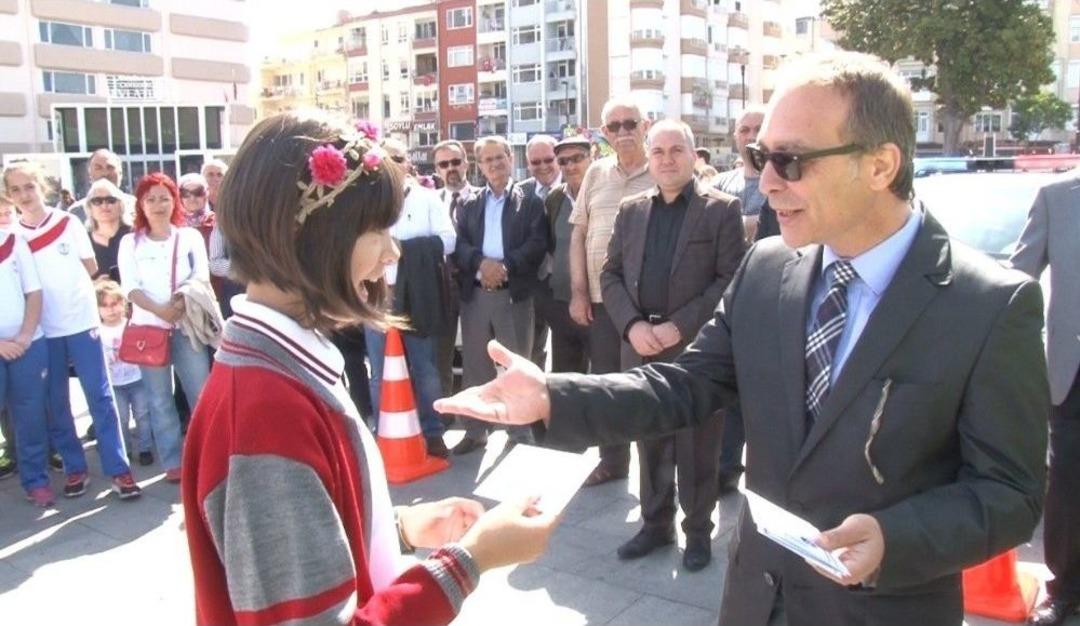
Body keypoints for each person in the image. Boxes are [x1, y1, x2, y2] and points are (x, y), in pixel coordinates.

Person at [436, 51, 1049, 626]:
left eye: (791, 161)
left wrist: (899, 538)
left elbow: (1010, 493)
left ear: (881, 166)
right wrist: (553, 396)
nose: (767, 180)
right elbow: (683, 385)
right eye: (761, 156)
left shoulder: (989, 305)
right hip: (758, 596)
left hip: (882, 607)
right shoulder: (766, 269)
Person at [182, 111, 559, 626]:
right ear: (312, 236)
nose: (393, 251)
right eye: (376, 229)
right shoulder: (264, 415)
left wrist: (398, 526)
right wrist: (471, 560)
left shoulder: (280, 366)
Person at [600, 119, 745, 572]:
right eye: (658, 151)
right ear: (649, 156)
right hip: (641, 345)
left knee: (699, 444)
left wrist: (681, 325)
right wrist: (632, 326)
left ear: (692, 153)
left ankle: (698, 532)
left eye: (675, 150)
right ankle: (655, 524)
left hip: (697, 349)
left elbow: (731, 279)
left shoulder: (721, 209)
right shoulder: (631, 209)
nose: (666, 159)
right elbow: (611, 274)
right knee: (651, 439)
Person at [4, 160, 142, 500]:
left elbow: (90, 267)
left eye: (29, 187)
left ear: (42, 187)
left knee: (100, 394)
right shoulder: (14, 237)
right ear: (8, 196)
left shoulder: (68, 222)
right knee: (56, 402)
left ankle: (118, 468)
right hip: (43, 331)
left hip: (81, 323)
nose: (25, 195)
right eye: (16, 189)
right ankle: (75, 467)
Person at [568, 95, 655, 486]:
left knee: (645, 387)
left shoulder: (663, 170)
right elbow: (579, 233)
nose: (623, 132)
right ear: (604, 133)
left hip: (648, 304)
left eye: (630, 123)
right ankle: (612, 462)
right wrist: (578, 292)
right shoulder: (596, 174)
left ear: (645, 126)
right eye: (614, 126)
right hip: (602, 304)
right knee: (605, 384)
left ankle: (654, 472)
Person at [1010, 177, 1080, 626]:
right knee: (1069, 482)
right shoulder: (1057, 199)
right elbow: (1018, 279)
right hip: (1071, 370)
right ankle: (1065, 591)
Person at [450, 135, 547, 455]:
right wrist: (482, 265)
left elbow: (536, 244)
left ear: (510, 158)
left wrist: (503, 267)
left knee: (516, 365)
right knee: (476, 366)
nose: (494, 164)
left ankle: (519, 431)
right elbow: (460, 245)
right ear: (479, 166)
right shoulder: (468, 203)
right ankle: (475, 431)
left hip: (513, 295)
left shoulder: (530, 200)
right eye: (487, 159)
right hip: (477, 295)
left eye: (499, 157)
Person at [117, 172, 214, 483]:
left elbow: (201, 276)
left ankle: (205, 454)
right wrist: (160, 310)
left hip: (186, 326)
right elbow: (129, 287)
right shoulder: (130, 242)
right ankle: (173, 460)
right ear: (140, 205)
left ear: (175, 201)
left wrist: (178, 306)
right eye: (151, 199)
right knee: (159, 399)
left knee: (199, 392)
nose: (158, 204)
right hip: (149, 330)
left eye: (164, 197)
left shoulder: (189, 237)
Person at [364, 137, 455, 457]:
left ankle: (433, 432)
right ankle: (384, 433)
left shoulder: (427, 199)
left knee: (424, 367)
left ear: (407, 163)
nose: (391, 163)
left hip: (418, 295)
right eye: (383, 158)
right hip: (377, 296)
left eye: (397, 158)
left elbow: (448, 241)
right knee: (379, 372)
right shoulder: (366, 202)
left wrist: (403, 250)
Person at [0, 193, 51, 505]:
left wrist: (24, 336)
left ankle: (36, 480)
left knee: (30, 414)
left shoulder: (15, 241)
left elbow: (34, 291)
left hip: (27, 343)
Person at [535, 136, 593, 379]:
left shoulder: (605, 193)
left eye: (577, 158)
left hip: (600, 305)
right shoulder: (555, 198)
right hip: (561, 305)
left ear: (592, 157)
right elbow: (551, 245)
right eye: (564, 161)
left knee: (604, 377)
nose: (570, 166)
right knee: (565, 379)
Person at [431, 140, 479, 399]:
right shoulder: (430, 202)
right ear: (437, 169)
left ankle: (477, 417)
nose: (451, 168)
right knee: (441, 356)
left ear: (466, 164)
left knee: (476, 355)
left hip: (476, 288)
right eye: (444, 164)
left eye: (456, 162)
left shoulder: (483, 198)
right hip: (441, 290)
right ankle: (445, 412)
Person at [95, 278, 153, 467]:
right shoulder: (98, 331)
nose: (110, 309)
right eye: (104, 305)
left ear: (123, 303)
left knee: (143, 414)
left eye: (114, 303)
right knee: (120, 417)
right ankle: (124, 448)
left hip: (137, 378)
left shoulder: (131, 324)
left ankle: (145, 448)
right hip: (115, 384)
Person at [521, 134, 562, 370]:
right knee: (532, 351)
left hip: (566, 284)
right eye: (536, 162)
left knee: (567, 351)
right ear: (528, 164)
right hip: (532, 285)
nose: (543, 166)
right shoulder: (521, 192)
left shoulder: (577, 187)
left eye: (548, 159)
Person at [68, 149, 135, 223]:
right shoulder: (76, 212)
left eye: (110, 167)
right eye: (98, 168)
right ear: (90, 175)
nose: (105, 173)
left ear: (120, 173)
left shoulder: (137, 207)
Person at [86, 178, 132, 281]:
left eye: (111, 200)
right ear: (89, 207)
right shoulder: (82, 241)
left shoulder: (134, 236)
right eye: (97, 201)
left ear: (121, 205)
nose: (104, 205)